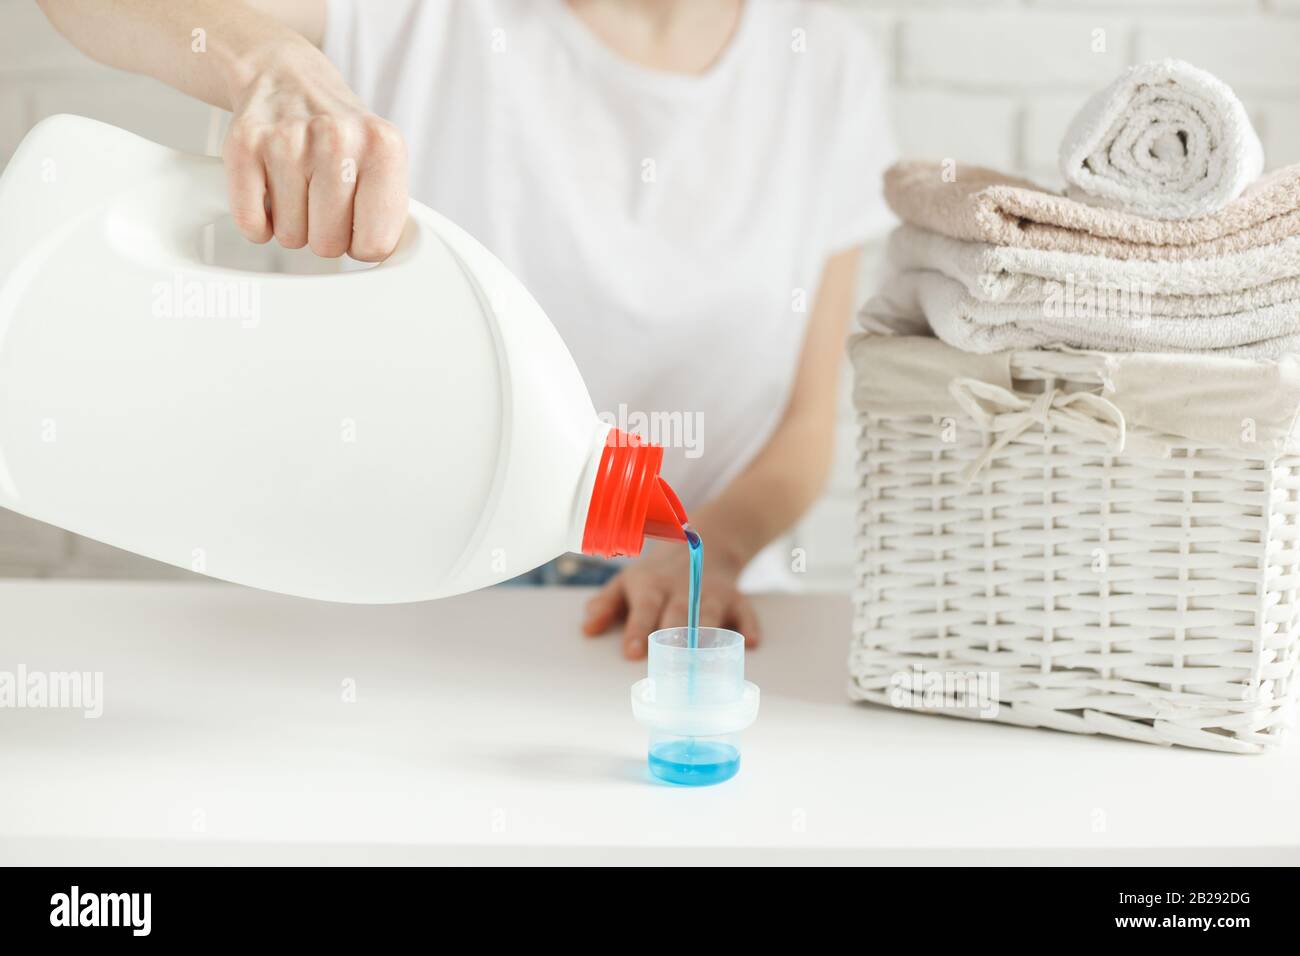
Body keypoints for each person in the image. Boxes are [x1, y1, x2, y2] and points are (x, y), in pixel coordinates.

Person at [37, 0, 895, 657]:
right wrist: (263, 62)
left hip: (685, 626)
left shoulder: (824, 68)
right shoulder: (424, 18)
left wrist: (712, 552)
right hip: (409, 615)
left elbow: (807, 425)